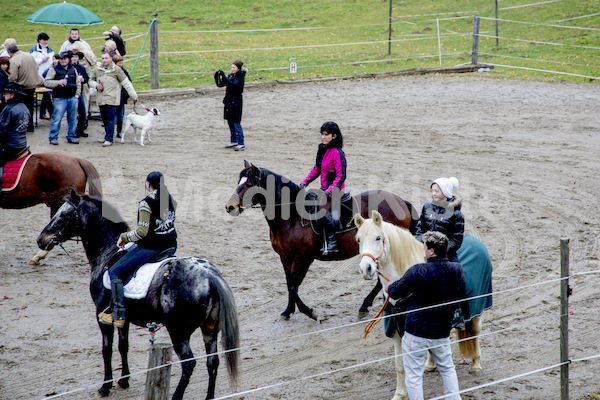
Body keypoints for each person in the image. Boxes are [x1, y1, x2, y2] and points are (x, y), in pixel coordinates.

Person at [384, 231, 466, 400]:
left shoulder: (418, 270)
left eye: (425, 246)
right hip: (442, 332)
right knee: (448, 368)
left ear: (430, 251)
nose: (423, 248)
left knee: (414, 376)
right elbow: (460, 292)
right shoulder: (457, 269)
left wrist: (389, 287)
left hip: (416, 333)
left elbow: (395, 291)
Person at [98, 171, 177, 328]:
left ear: (148, 184)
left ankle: (118, 314)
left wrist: (124, 237)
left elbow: (142, 232)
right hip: (170, 244)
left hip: (152, 247)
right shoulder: (170, 198)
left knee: (115, 271)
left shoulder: (146, 203)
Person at [299, 121, 347, 255]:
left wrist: (328, 191)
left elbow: (341, 176)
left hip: (336, 190)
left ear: (334, 136)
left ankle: (332, 242)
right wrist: (304, 183)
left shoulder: (338, 153)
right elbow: (317, 169)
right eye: (322, 134)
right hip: (324, 188)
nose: (323, 137)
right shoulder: (322, 149)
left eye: (326, 135)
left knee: (323, 212)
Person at [89, 51, 138, 147]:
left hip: (112, 98)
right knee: (104, 118)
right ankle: (107, 135)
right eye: (102, 58)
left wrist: (133, 95)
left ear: (111, 59)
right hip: (101, 98)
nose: (104, 60)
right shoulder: (97, 70)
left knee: (111, 118)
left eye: (106, 58)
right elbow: (90, 81)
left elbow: (126, 83)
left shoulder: (117, 70)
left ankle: (109, 139)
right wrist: (96, 85)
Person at [415, 177, 464, 262]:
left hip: (445, 253)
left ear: (445, 192)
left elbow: (456, 240)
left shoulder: (456, 214)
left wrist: (439, 251)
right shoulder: (427, 206)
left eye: (437, 191)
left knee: (456, 271)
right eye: (432, 191)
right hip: (426, 249)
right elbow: (420, 228)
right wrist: (421, 244)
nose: (433, 194)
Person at [43, 51, 81, 145]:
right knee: (57, 119)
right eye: (61, 59)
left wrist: (77, 95)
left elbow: (78, 82)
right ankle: (53, 137)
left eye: (64, 59)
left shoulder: (73, 69)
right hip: (59, 98)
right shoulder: (54, 69)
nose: (63, 61)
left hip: (72, 97)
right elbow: (46, 82)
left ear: (68, 59)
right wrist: (58, 82)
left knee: (72, 119)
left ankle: (71, 136)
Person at [6, 44, 43, 132]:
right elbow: (37, 68)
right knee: (30, 106)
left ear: (10, 52)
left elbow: (13, 76)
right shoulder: (29, 55)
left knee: (22, 107)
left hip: (22, 86)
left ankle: (23, 125)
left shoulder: (14, 60)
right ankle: (30, 125)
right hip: (32, 85)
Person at [214, 59, 247, 151]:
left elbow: (234, 86)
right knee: (230, 122)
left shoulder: (240, 78)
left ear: (239, 69)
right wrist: (218, 76)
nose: (232, 69)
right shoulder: (231, 76)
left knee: (236, 123)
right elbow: (221, 84)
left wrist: (224, 77)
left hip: (236, 103)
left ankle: (241, 143)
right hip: (229, 102)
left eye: (234, 67)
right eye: (231, 67)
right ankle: (234, 141)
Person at [0, 83, 30, 169]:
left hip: (10, 147)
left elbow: (2, 131)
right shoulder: (25, 107)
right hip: (22, 145)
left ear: (12, 95)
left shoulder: (9, 109)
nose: (4, 95)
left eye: (5, 93)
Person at [29, 33, 55, 120]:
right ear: (39, 40)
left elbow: (53, 58)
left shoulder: (50, 50)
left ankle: (43, 113)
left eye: (47, 40)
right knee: (46, 94)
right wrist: (41, 60)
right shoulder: (34, 50)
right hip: (38, 75)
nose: (45, 42)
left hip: (48, 74)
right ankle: (52, 112)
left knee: (46, 93)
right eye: (44, 40)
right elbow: (31, 61)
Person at [71, 51, 89, 138]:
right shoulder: (69, 68)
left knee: (83, 112)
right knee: (72, 113)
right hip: (70, 93)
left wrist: (83, 80)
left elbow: (86, 78)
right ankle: (72, 131)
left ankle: (80, 130)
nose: (74, 59)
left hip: (79, 92)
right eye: (73, 57)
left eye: (76, 57)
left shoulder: (81, 68)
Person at [112, 54, 131, 138]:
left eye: (121, 63)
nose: (120, 65)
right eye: (119, 63)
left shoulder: (124, 72)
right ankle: (111, 132)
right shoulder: (111, 72)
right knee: (112, 116)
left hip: (122, 98)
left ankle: (119, 131)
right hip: (112, 97)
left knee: (120, 116)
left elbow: (128, 83)